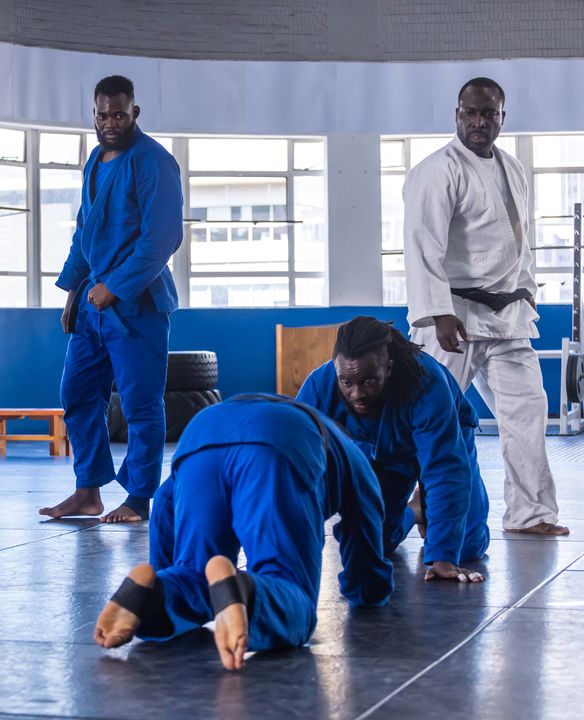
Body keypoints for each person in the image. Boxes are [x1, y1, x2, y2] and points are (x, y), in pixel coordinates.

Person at [93, 394, 394, 671]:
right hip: (278, 443)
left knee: (195, 573)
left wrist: (161, 576)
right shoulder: (353, 455)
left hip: (200, 435)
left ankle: (153, 602)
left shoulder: (290, 411)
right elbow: (365, 538)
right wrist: (369, 592)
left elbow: (165, 500)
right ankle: (245, 592)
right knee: (288, 586)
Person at [403, 77, 567, 536]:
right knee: (430, 415)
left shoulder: (512, 167)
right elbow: (421, 244)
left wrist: (527, 286)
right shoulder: (437, 170)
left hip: (507, 314)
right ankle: (402, 505)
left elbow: (521, 237)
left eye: (488, 114)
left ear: (502, 117)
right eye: (470, 113)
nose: (479, 122)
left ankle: (530, 513)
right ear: (457, 114)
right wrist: (436, 311)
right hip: (452, 315)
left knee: (528, 409)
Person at [39, 75, 183, 524]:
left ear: (134, 112)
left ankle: (140, 498)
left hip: (138, 305)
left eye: (119, 114)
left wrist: (115, 287)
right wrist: (73, 289)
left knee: (141, 404)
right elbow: (86, 229)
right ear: (94, 113)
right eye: (102, 114)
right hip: (92, 304)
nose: (110, 122)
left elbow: (163, 237)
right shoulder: (96, 160)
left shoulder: (154, 161)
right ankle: (88, 490)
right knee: (78, 394)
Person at [298, 316, 489, 582]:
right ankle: (417, 509)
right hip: (383, 452)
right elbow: (296, 463)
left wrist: (443, 557)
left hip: (445, 440)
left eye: (368, 381)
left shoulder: (427, 383)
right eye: (346, 382)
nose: (356, 394)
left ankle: (441, 523)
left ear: (388, 368)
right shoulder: (320, 386)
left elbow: (445, 470)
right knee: (376, 545)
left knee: (465, 549)